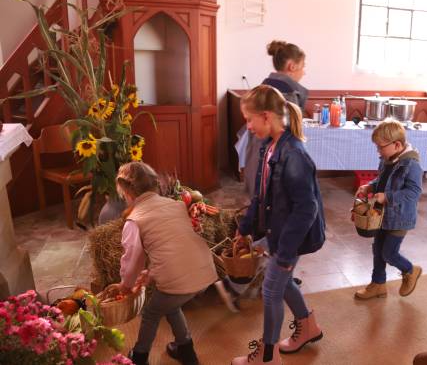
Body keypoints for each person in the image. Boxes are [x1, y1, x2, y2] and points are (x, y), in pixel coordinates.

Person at [232, 85, 325, 365]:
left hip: (290, 236)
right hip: (278, 230)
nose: (248, 127)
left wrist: (284, 254)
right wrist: (245, 227)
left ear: (266, 116)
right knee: (281, 285)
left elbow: (306, 208)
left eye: (249, 119)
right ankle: (308, 327)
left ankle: (267, 357)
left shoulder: (294, 154)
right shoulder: (268, 146)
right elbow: (260, 194)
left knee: (272, 289)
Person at [117, 162, 217, 365]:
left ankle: (139, 356)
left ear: (127, 192)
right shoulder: (176, 205)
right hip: (205, 270)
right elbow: (175, 249)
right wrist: (152, 273)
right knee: (171, 303)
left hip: (178, 278)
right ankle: (186, 350)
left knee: (151, 312)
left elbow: (132, 261)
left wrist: (126, 285)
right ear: (155, 184)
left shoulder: (134, 220)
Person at [354, 119, 423, 301]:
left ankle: (410, 270)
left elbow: (414, 192)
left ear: (397, 144)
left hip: (399, 218)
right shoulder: (388, 158)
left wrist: (388, 197)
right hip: (382, 215)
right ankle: (378, 284)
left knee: (389, 253)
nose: (378, 151)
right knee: (377, 249)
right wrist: (370, 186)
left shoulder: (411, 164)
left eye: (380, 147)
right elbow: (382, 181)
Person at [242, 40, 309, 199]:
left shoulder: (263, 89)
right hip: (273, 164)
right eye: (303, 66)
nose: (304, 72)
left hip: (257, 160)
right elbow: (287, 140)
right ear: (292, 66)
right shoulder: (287, 95)